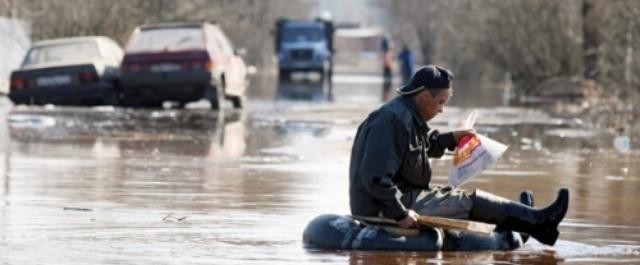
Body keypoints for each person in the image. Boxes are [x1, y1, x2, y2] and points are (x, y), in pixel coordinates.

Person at [348, 65, 569, 246]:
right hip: (382, 206)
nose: (442, 110)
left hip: (407, 194)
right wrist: (400, 213)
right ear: (424, 96)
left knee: (457, 196)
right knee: (464, 201)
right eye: (441, 102)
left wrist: (453, 138)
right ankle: (537, 221)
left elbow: (424, 145)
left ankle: (529, 221)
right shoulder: (390, 121)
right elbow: (376, 179)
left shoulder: (408, 115)